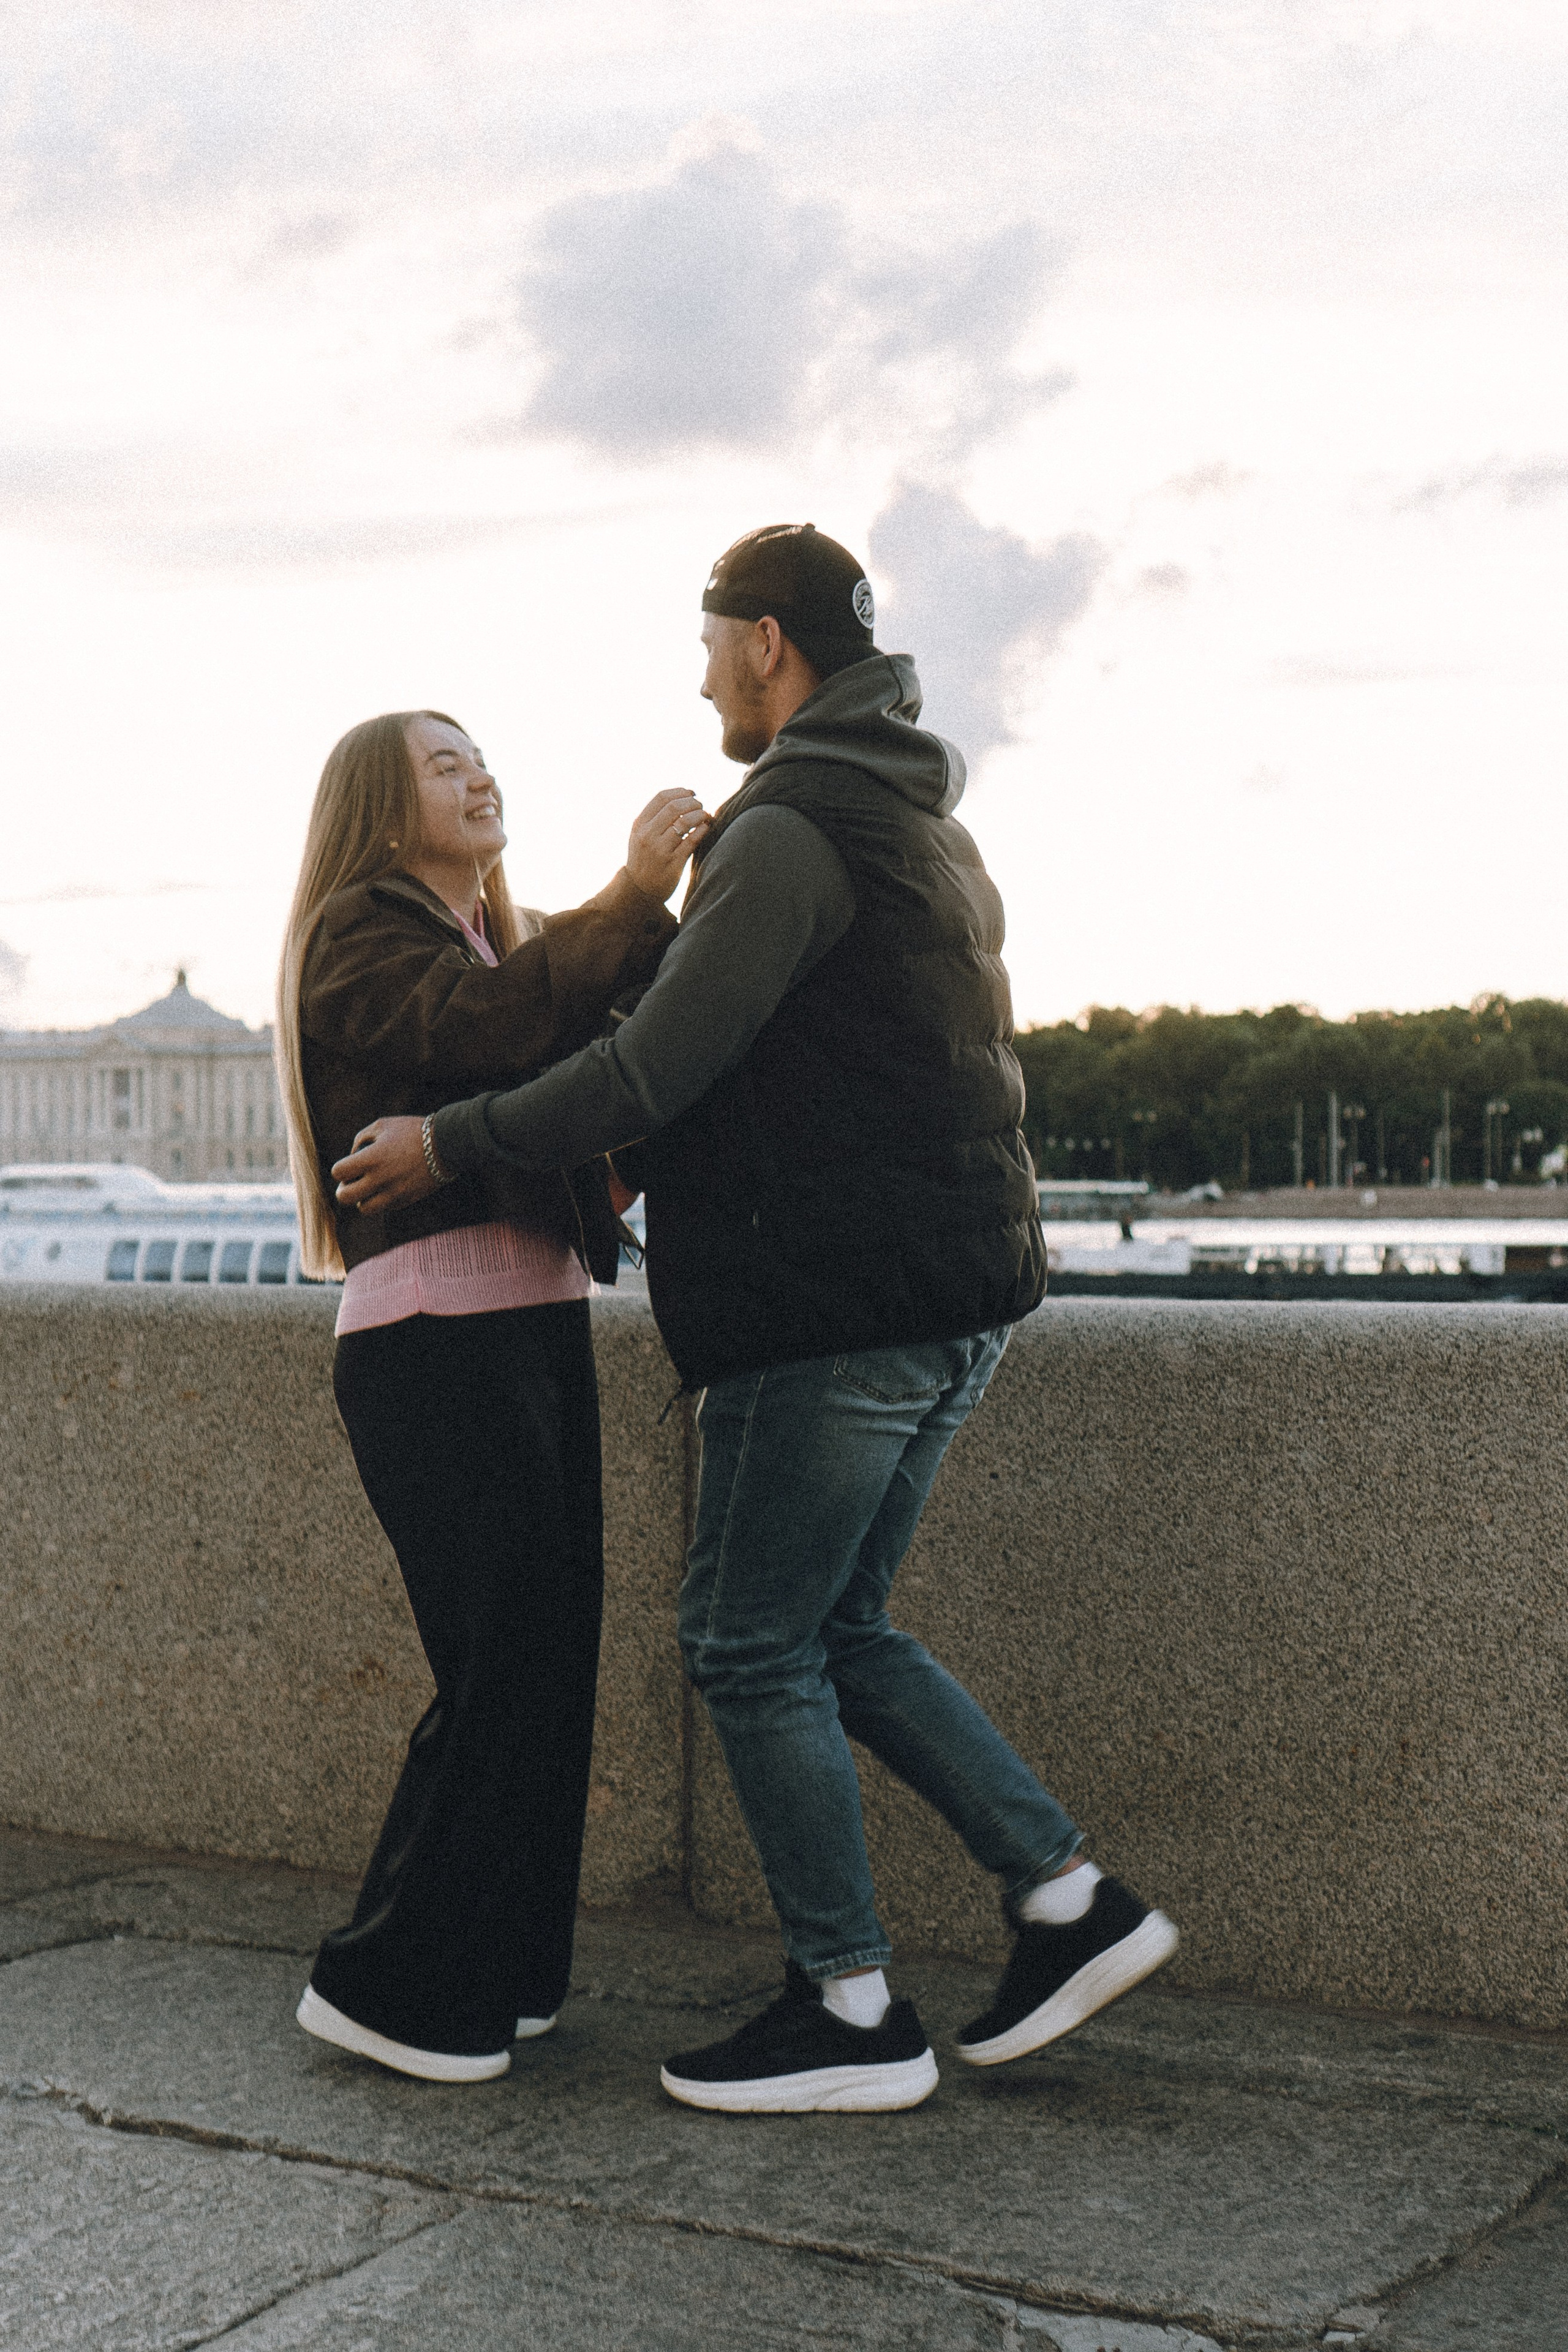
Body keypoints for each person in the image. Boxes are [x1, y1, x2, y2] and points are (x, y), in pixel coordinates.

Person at [331, 530, 1178, 2113]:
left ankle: (849, 2007)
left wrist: (449, 1142)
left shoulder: (791, 830)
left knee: (743, 1639)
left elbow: (651, 1067)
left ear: (769, 646)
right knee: (837, 1627)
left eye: (711, 644)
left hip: (832, 1314)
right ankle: (1069, 1903)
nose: (701, 674)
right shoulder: (919, 823)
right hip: (954, 1303)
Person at [276, 705, 704, 2082]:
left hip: (526, 1323)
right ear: (380, 809)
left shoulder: (486, 943)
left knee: (542, 1669)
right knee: (501, 1667)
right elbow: (478, 1031)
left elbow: (547, 1085)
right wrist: (633, 895)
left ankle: (501, 1974)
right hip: (432, 1338)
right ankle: (393, 1989)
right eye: (442, 765)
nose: (478, 776)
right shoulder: (362, 929)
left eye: (480, 756)